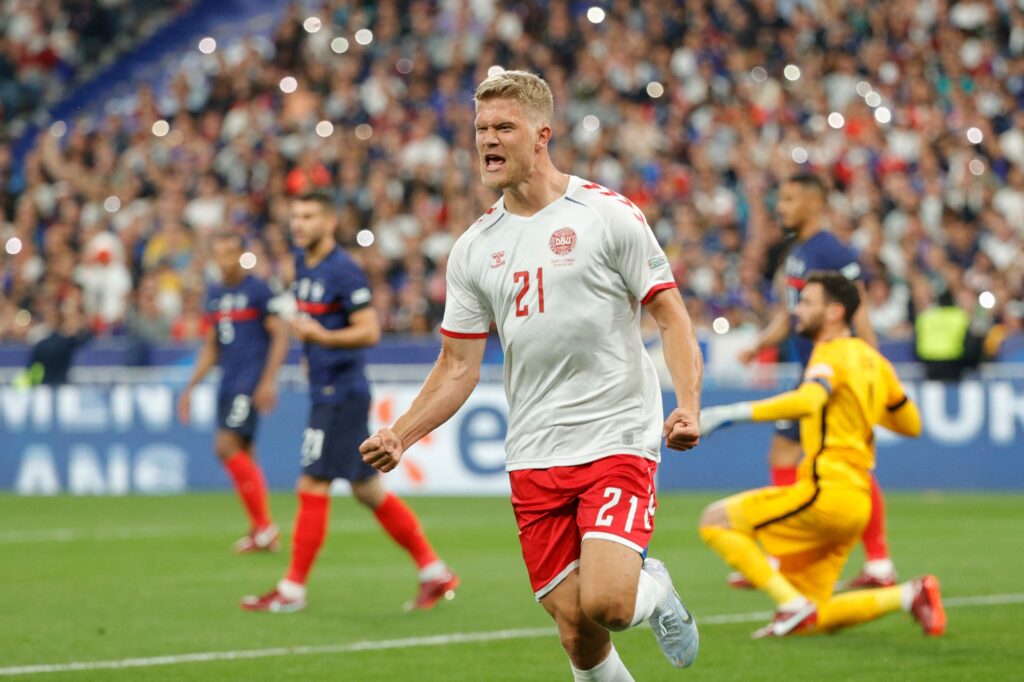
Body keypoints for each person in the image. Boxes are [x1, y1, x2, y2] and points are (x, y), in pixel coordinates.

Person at [359, 71, 702, 680]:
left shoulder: (606, 215)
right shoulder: (474, 248)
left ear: (542, 135)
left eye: (503, 128)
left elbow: (671, 317)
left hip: (616, 435)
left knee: (610, 604)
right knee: (577, 630)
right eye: (481, 129)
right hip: (534, 452)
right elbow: (458, 365)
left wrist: (689, 405)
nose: (488, 141)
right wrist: (402, 433)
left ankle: (656, 590)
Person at [241, 191, 456, 613]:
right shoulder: (303, 263)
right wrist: (312, 354)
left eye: (307, 216)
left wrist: (322, 339)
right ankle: (434, 572)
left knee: (312, 482)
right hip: (329, 388)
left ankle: (292, 590)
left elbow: (369, 331)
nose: (298, 224)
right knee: (367, 490)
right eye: (295, 216)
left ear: (330, 222)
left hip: (341, 394)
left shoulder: (343, 270)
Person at [698, 272, 945, 638]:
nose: (798, 310)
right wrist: (861, 404)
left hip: (826, 490)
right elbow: (911, 424)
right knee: (818, 612)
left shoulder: (827, 354)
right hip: (857, 500)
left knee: (714, 521)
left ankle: (789, 605)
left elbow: (809, 399)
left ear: (835, 312)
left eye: (808, 302)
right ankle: (910, 595)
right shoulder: (874, 361)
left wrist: (730, 413)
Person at [737, 174, 894, 590]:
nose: (780, 206)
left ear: (812, 203)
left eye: (789, 198)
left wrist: (871, 370)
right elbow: (793, 316)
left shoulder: (830, 250)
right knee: (796, 454)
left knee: (827, 460)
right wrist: (758, 345)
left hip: (836, 376)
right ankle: (859, 562)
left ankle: (867, 562)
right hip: (813, 377)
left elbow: (859, 314)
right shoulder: (798, 253)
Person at [178, 232, 289, 552]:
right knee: (245, 455)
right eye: (220, 254)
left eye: (231, 253)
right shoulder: (214, 294)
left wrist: (268, 381)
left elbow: (280, 333)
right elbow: (212, 346)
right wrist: (190, 387)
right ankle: (261, 531)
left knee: (225, 446)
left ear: (242, 255)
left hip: (249, 381)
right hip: (227, 382)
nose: (225, 260)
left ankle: (265, 527)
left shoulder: (257, 289)